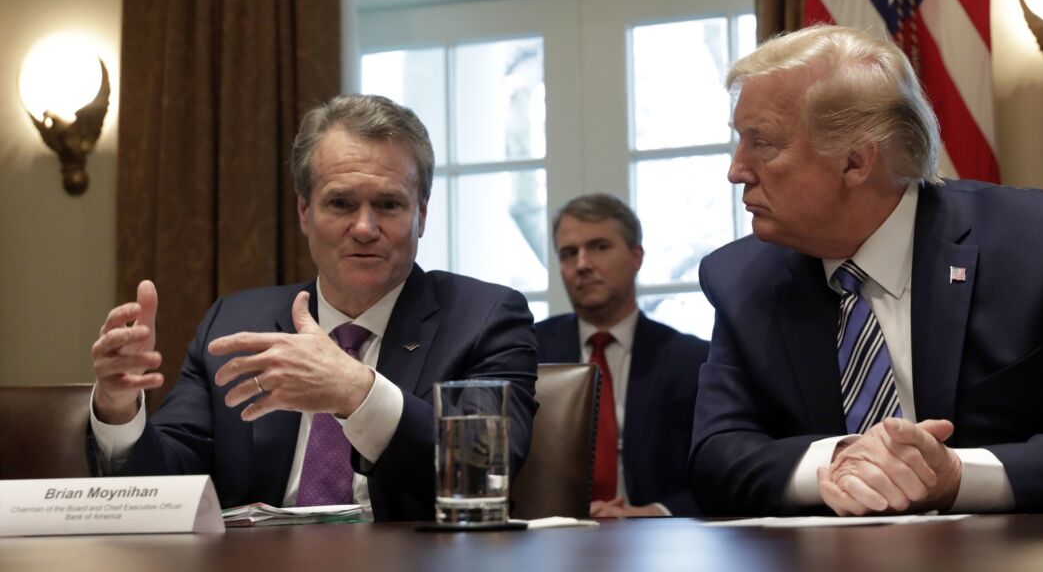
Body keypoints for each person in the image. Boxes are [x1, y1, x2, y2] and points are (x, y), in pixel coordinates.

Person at [691, 25, 1043, 516]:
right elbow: (715, 459)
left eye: (763, 143)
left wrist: (956, 476)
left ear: (855, 162)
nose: (736, 169)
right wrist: (841, 462)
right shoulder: (741, 279)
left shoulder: (1039, 246)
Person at [87, 94, 537, 522]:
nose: (364, 228)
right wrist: (119, 409)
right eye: (340, 203)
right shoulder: (237, 325)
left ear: (422, 213)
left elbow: (482, 469)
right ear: (304, 212)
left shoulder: (485, 319)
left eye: (389, 205)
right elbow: (173, 481)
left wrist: (356, 391)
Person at [537, 194, 708, 517]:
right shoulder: (528, 351)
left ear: (636, 256)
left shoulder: (691, 360)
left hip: (653, 536)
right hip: (551, 533)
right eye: (569, 253)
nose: (583, 264)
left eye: (599, 247)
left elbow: (716, 475)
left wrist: (653, 512)